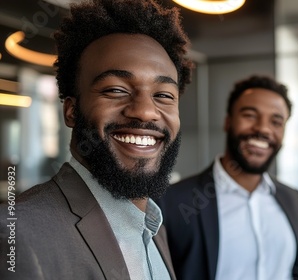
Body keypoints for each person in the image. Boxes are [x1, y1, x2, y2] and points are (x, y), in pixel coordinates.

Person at [0, 0, 193, 279]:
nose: (145, 111)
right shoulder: (16, 236)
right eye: (116, 89)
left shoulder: (153, 225)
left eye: (163, 95)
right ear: (71, 110)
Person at [156, 75, 298, 280]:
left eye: (276, 121)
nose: (263, 128)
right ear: (228, 122)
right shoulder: (173, 202)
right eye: (250, 115)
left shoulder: (291, 198)